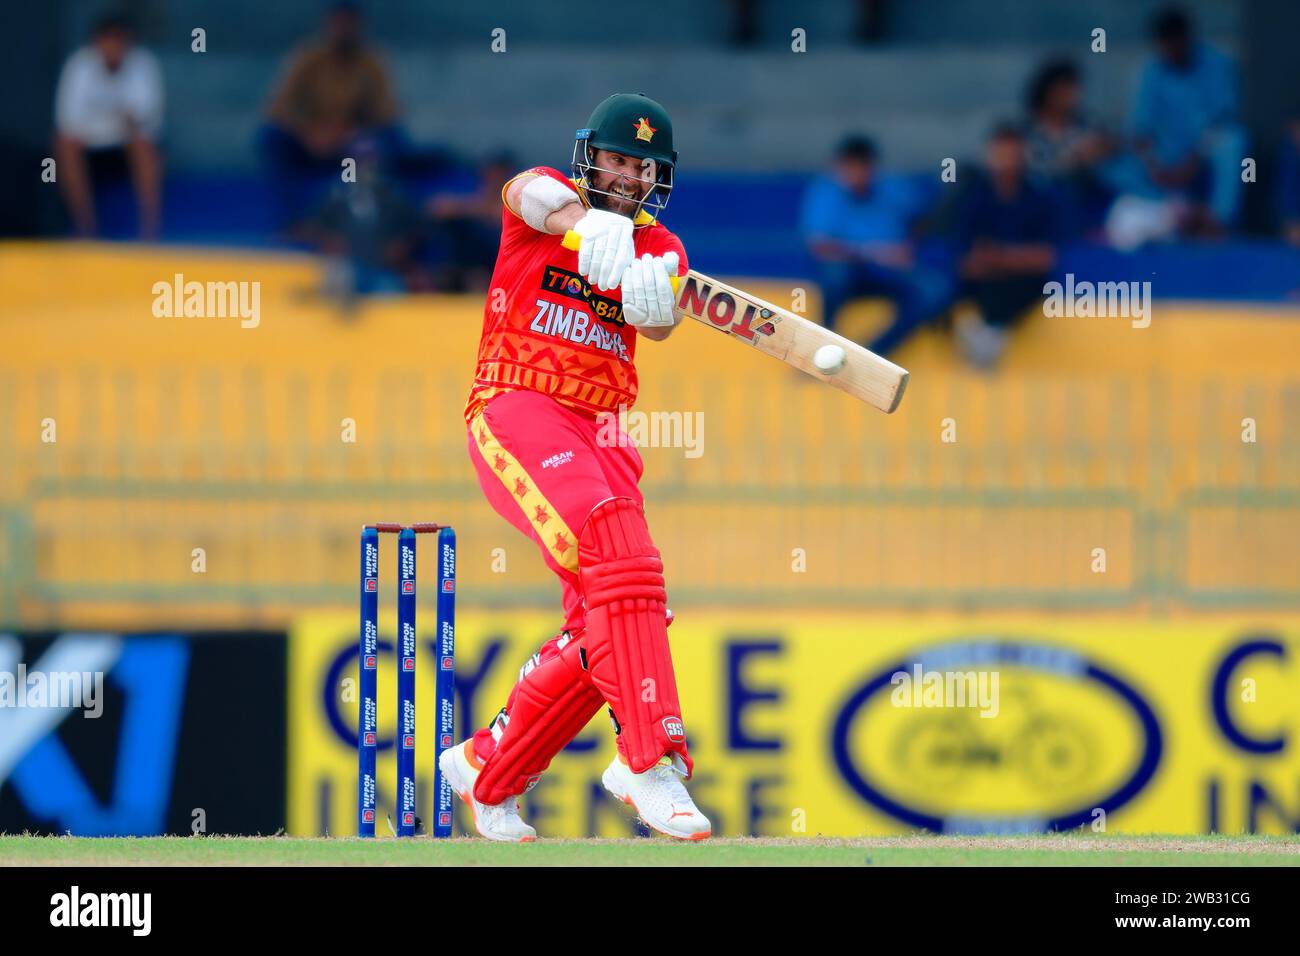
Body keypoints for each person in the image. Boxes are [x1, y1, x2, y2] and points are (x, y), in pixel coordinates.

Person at [440, 93, 710, 842]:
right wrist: (588, 226)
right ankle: (649, 759)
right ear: (592, 157)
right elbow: (533, 196)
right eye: (618, 161)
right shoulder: (545, 203)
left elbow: (658, 322)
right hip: (520, 405)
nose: (627, 177)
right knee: (613, 539)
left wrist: (655, 297)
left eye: (642, 167)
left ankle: (489, 768)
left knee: (623, 609)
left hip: (604, 430)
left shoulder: (663, 246)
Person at [1107, 6, 1244, 247]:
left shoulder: (1215, 64)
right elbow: (1140, 130)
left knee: (1234, 141)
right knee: (1115, 164)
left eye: (1174, 44)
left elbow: (1221, 121)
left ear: (1187, 39)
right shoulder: (1152, 71)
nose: (1170, 51)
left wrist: (1192, 161)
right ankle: (1165, 217)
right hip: (1166, 156)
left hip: (1201, 152)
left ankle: (1218, 220)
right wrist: (1153, 165)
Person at [801, 135, 949, 356]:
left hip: (890, 272)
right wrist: (874, 253)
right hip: (851, 271)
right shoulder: (826, 191)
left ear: (872, 167)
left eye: (862, 167)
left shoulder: (894, 188)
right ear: (839, 168)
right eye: (850, 167)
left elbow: (925, 220)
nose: (857, 174)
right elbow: (820, 246)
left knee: (935, 289)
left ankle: (874, 354)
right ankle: (823, 348)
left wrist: (909, 246)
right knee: (834, 273)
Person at [259, 2, 400, 228]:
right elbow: (277, 108)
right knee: (271, 137)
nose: (343, 29)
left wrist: (346, 134)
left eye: (349, 23)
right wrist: (309, 133)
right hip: (310, 140)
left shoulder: (372, 62)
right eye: (338, 22)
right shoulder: (307, 58)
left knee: (385, 143)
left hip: (351, 141)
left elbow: (387, 114)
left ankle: (365, 220)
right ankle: (292, 219)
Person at [952, 124, 1058, 369]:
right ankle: (985, 332)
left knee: (1032, 282)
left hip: (1024, 284)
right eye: (1000, 153)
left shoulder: (1040, 197)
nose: (1006, 161)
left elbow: (1045, 258)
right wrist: (1009, 259)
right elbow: (967, 262)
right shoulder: (974, 198)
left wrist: (999, 257)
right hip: (984, 285)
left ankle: (988, 331)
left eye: (1012, 153)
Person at [53, 14, 164, 238]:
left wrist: (114, 123)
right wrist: (118, 120)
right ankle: (85, 228)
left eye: (119, 41)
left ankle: (149, 234)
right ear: (97, 43)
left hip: (127, 148)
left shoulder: (144, 65)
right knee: (64, 146)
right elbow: (67, 124)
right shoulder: (78, 66)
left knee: (144, 147)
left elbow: (149, 124)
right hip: (90, 150)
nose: (113, 47)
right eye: (108, 41)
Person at [1023, 58, 1115, 236]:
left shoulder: (1087, 124)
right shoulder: (1027, 131)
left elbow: (1114, 148)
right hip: (1041, 203)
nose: (1074, 96)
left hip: (1085, 199)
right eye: (1066, 90)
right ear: (1049, 92)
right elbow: (1032, 174)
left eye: (1075, 89)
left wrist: (1104, 150)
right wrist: (1070, 162)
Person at [424, 150, 516, 291]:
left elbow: (498, 214)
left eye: (499, 174)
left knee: (478, 277)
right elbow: (438, 207)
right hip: (464, 264)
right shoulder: (469, 195)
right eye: (490, 174)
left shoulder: (517, 204)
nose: (494, 178)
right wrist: (471, 208)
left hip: (502, 266)